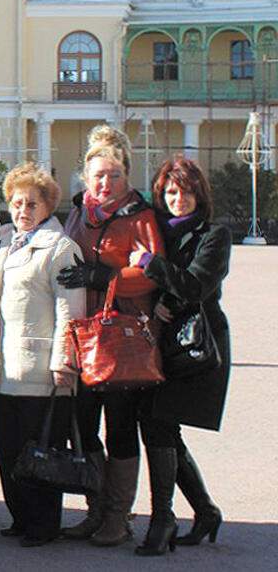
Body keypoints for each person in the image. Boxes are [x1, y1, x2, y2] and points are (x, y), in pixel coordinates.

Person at [58, 126, 164, 546]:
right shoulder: (78, 213)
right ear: (86, 177)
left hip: (121, 335)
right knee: (83, 425)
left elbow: (153, 275)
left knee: (119, 426)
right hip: (83, 334)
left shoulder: (139, 216)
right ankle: (95, 509)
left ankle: (119, 516)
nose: (105, 183)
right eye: (98, 175)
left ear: (127, 176)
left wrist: (108, 276)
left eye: (114, 175)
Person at [127, 156, 231, 554]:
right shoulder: (155, 226)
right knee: (161, 426)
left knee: (159, 423)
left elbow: (196, 285)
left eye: (186, 192)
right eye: (171, 192)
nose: (178, 199)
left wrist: (152, 266)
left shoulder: (215, 234)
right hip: (160, 339)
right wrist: (158, 301)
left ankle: (163, 518)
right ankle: (203, 511)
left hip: (196, 342)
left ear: (199, 194)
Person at [0, 164, 86, 548]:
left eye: (31, 203)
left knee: (40, 450)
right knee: (8, 446)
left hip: (41, 368)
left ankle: (43, 524)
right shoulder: (7, 245)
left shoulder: (61, 248)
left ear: (47, 206)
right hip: (3, 366)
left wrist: (64, 360)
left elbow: (70, 310)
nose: (22, 209)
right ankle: (21, 517)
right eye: (16, 202)